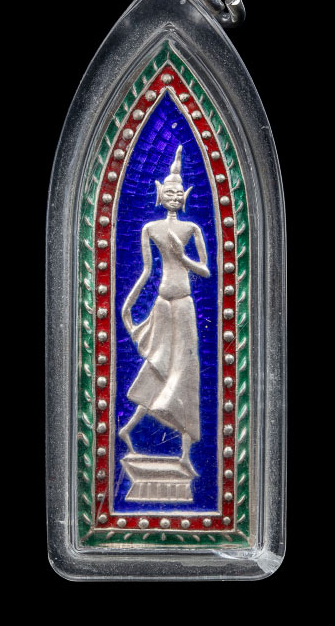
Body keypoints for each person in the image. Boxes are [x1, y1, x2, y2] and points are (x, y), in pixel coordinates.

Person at [120, 145, 210, 475]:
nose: (173, 197)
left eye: (178, 193)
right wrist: (128, 306)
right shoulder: (151, 229)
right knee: (157, 368)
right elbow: (146, 272)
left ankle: (185, 452)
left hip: (184, 305)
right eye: (168, 192)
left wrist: (184, 259)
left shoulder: (191, 229)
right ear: (160, 194)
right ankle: (128, 429)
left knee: (186, 372)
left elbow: (205, 270)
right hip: (161, 304)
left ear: (185, 196)